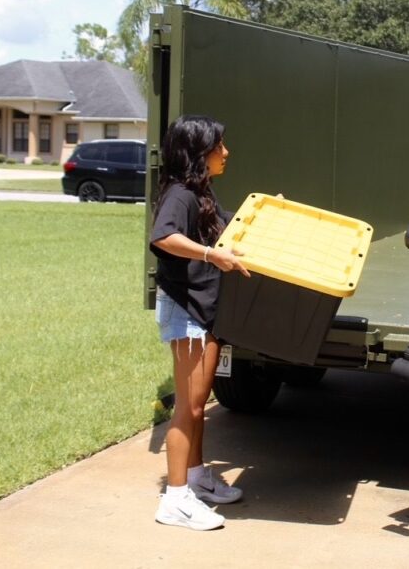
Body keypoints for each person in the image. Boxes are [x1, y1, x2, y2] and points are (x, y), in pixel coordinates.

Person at [149, 114, 251, 531]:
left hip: (204, 307)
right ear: (197, 153)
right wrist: (211, 256)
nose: (225, 153)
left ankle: (194, 479)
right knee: (188, 408)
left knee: (197, 404)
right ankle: (175, 501)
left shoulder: (200, 191)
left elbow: (228, 228)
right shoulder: (179, 195)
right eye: (218, 147)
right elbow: (162, 236)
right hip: (185, 309)